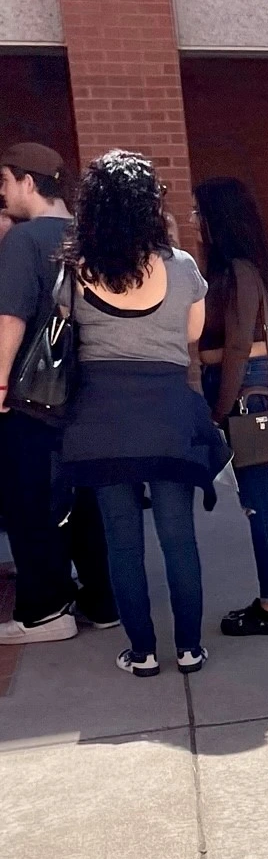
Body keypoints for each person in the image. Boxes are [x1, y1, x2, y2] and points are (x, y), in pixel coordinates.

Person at [57, 151, 225, 677]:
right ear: (151, 204)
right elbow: (193, 335)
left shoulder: (76, 269)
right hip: (168, 412)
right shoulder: (181, 266)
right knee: (179, 536)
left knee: (121, 540)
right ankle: (190, 648)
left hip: (101, 417)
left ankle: (143, 652)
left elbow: (66, 327)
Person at [0, 144, 117, 645]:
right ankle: (104, 598)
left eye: (4, 181)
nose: (2, 192)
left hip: (34, 396)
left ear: (28, 181)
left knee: (28, 497)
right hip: (91, 390)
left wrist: (0, 382)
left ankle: (46, 609)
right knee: (87, 496)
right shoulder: (93, 236)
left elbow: (11, 318)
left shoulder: (25, 240)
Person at [192, 177, 268, 635]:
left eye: (201, 213)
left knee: (259, 504)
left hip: (246, 391)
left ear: (220, 218)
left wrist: (217, 410)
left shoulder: (239, 269)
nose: (196, 220)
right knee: (258, 501)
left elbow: (238, 346)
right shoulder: (232, 267)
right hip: (245, 387)